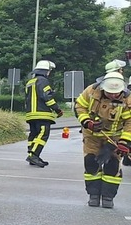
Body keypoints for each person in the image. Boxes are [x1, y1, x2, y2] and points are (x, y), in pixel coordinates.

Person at [75, 71, 131, 208]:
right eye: (109, 92)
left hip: (115, 138)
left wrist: (124, 142)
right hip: (92, 135)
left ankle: (108, 197)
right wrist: (87, 122)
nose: (113, 95)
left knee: (112, 166)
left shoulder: (128, 99)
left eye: (116, 93)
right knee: (91, 163)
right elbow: (79, 107)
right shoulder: (91, 91)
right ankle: (93, 195)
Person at [24, 59, 63, 167]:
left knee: (34, 134)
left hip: (31, 114)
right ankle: (34, 155)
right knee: (43, 134)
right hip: (42, 114)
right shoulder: (43, 81)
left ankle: (33, 153)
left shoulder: (30, 82)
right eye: (49, 71)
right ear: (46, 71)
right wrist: (57, 109)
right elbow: (47, 97)